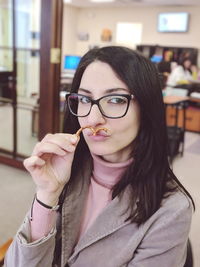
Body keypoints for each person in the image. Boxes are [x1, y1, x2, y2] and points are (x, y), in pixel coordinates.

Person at [5, 46, 194, 267]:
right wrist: (47, 195)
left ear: (146, 108)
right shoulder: (65, 171)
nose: (93, 119)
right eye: (85, 99)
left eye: (114, 100)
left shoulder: (172, 210)